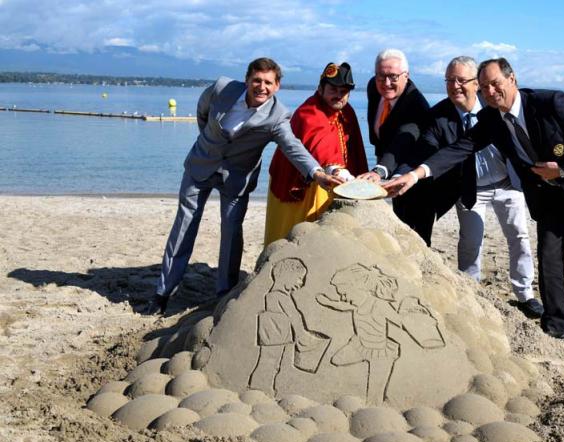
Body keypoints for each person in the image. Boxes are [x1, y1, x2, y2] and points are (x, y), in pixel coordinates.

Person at [384, 58, 564, 356]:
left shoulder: (551, 102)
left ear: (512, 79)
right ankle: (556, 323)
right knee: (550, 256)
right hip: (550, 194)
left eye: (496, 84)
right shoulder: (492, 119)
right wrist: (415, 174)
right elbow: (459, 149)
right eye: (484, 87)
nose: (491, 92)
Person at [150, 57, 343, 315]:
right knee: (185, 225)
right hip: (201, 165)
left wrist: (317, 173)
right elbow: (203, 112)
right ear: (247, 80)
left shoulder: (277, 116)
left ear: (277, 86)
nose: (261, 87)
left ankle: (224, 292)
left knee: (231, 232)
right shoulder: (221, 88)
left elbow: (293, 147)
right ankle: (163, 293)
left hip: (237, 177)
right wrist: (209, 144)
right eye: (256, 80)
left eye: (267, 82)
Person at [416, 56, 541, 318]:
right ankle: (469, 291)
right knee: (471, 241)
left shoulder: (494, 105)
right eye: (450, 80)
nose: (455, 86)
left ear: (476, 84)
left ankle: (525, 294)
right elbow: (428, 150)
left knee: (519, 237)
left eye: (462, 80)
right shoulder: (437, 116)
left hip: (507, 184)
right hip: (472, 190)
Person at [264, 62, 368, 245]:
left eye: (344, 91)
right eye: (333, 89)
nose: (338, 95)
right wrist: (338, 171)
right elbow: (319, 142)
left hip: (329, 180)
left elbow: (354, 148)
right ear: (320, 88)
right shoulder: (309, 111)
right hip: (299, 184)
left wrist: (360, 178)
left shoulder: (347, 111)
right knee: (292, 235)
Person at [357, 49, 436, 246]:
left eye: (393, 77)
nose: (386, 83)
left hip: (415, 171)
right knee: (398, 220)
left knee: (417, 235)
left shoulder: (416, 105)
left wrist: (380, 170)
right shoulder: (373, 87)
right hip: (387, 161)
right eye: (381, 76)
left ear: (406, 76)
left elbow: (402, 141)